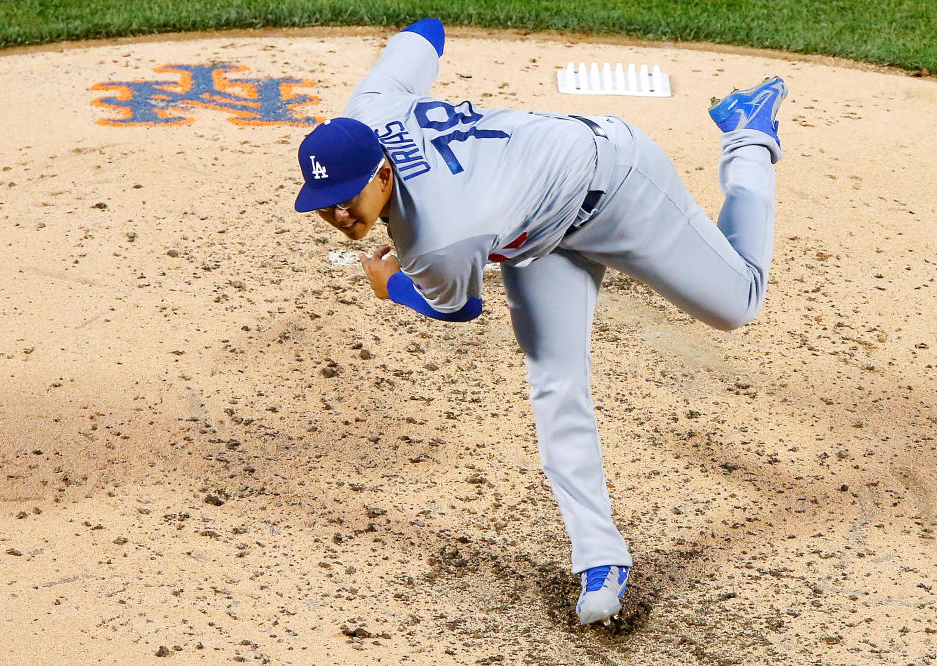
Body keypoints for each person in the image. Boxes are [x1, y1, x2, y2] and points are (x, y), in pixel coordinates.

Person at [293, 18, 786, 625]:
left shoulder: (438, 239)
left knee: (738, 303)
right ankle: (600, 558)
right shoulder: (368, 110)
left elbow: (460, 306)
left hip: (617, 183)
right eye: (325, 205)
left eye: (348, 197)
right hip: (535, 233)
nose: (340, 215)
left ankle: (748, 135)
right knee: (555, 381)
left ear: (384, 172)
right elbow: (425, 30)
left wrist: (390, 284)